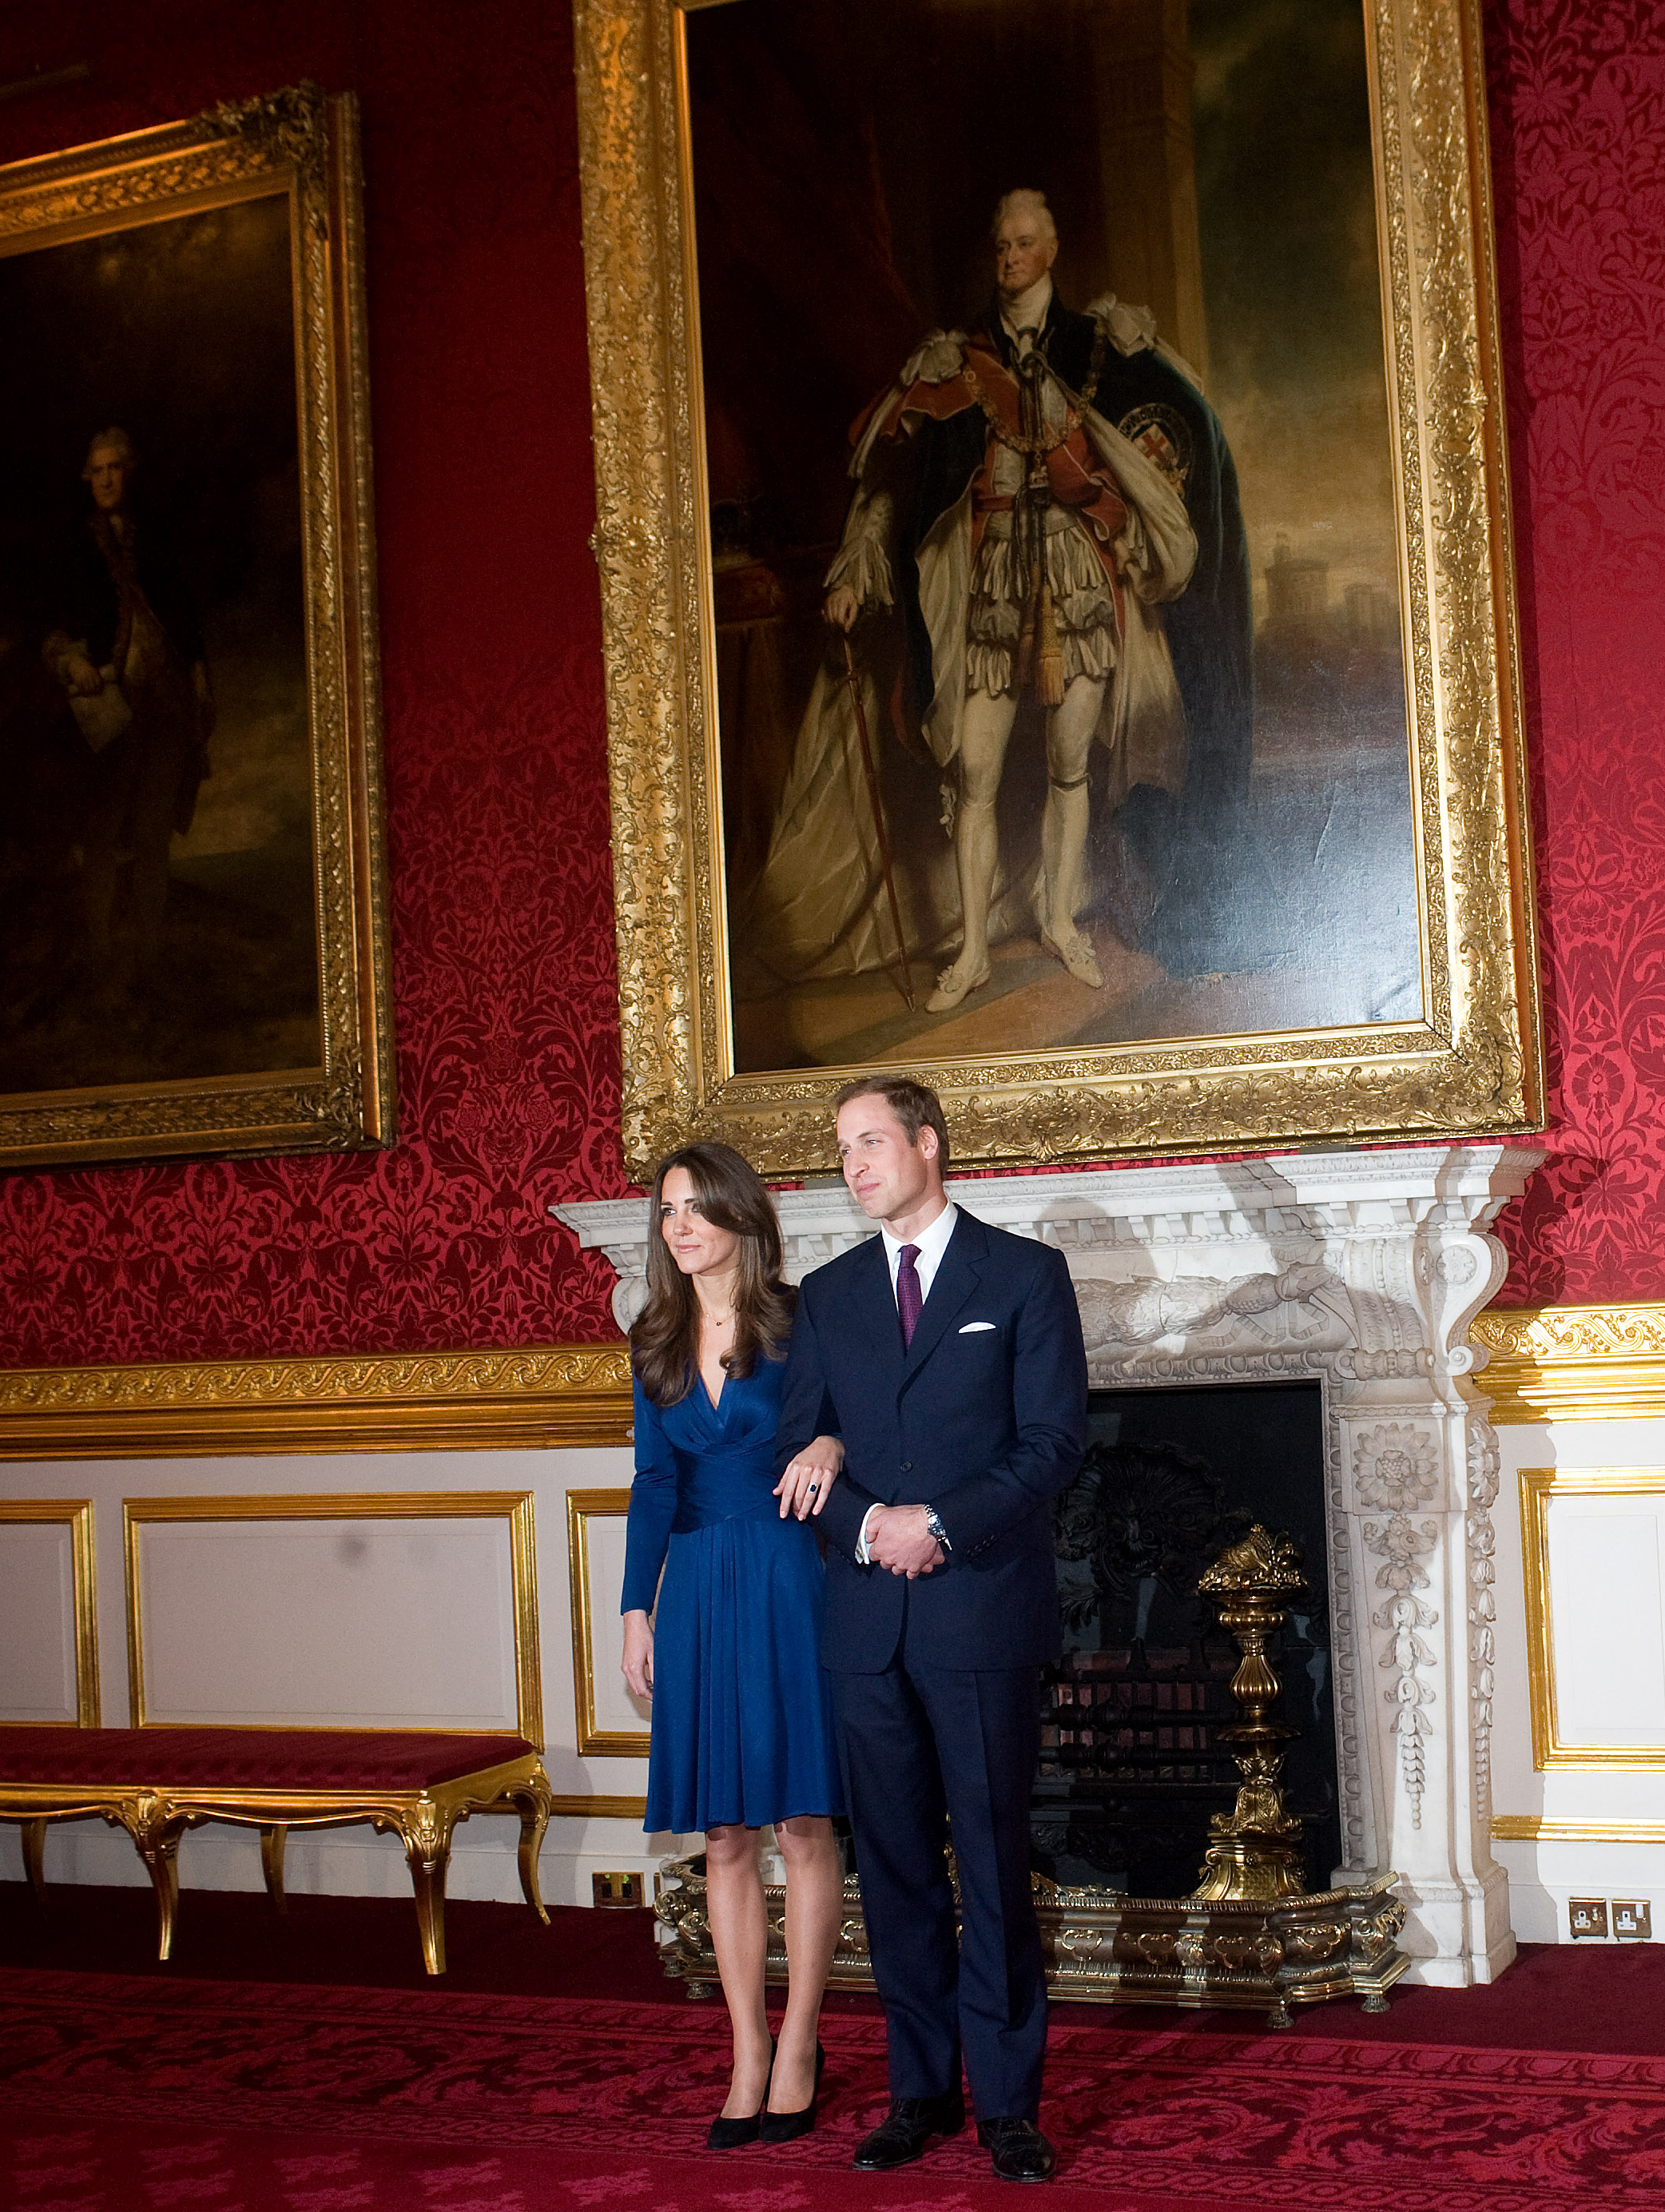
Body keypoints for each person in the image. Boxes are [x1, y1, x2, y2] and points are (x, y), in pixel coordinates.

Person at [818, 189, 1250, 1012]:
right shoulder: (958, 359)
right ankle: (975, 949)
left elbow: (1166, 440)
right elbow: (894, 488)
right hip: (990, 587)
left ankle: (1059, 919)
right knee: (975, 771)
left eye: (1024, 244)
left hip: (1077, 580)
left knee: (1068, 765)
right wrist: (854, 571)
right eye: (1001, 246)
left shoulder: (1101, 351)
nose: (1010, 258)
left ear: (1050, 252)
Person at [773, 1073, 1088, 2184]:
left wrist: (941, 1527)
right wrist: (871, 1530)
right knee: (896, 1869)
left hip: (980, 1612)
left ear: (929, 1145)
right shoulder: (827, 1293)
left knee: (995, 1864)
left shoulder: (1024, 1275)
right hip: (865, 1624)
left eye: (870, 1142)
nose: (853, 1164)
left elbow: (1054, 1443)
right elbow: (804, 1444)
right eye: (842, 1149)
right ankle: (919, 2093)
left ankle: (1006, 2103)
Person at [618, 1141, 850, 2147]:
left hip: (792, 1580)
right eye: (667, 1208)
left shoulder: (804, 1319)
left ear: (740, 1217)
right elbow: (652, 1481)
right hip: (701, 1591)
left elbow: (859, 1425)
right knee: (722, 1834)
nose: (679, 1224)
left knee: (803, 1821)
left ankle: (801, 2040)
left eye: (696, 1206)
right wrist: (636, 1608)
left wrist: (833, 1443)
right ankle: (746, 2047)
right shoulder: (654, 1333)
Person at [42, 426, 215, 993]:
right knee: (102, 831)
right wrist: (73, 662)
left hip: (163, 704)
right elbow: (54, 632)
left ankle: (149, 960)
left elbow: (185, 619)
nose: (108, 478)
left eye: (117, 467)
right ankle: (100, 959)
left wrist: (199, 677)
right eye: (98, 470)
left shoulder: (157, 542)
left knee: (152, 835)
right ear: (87, 479)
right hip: (109, 711)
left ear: (130, 473)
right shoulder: (72, 551)